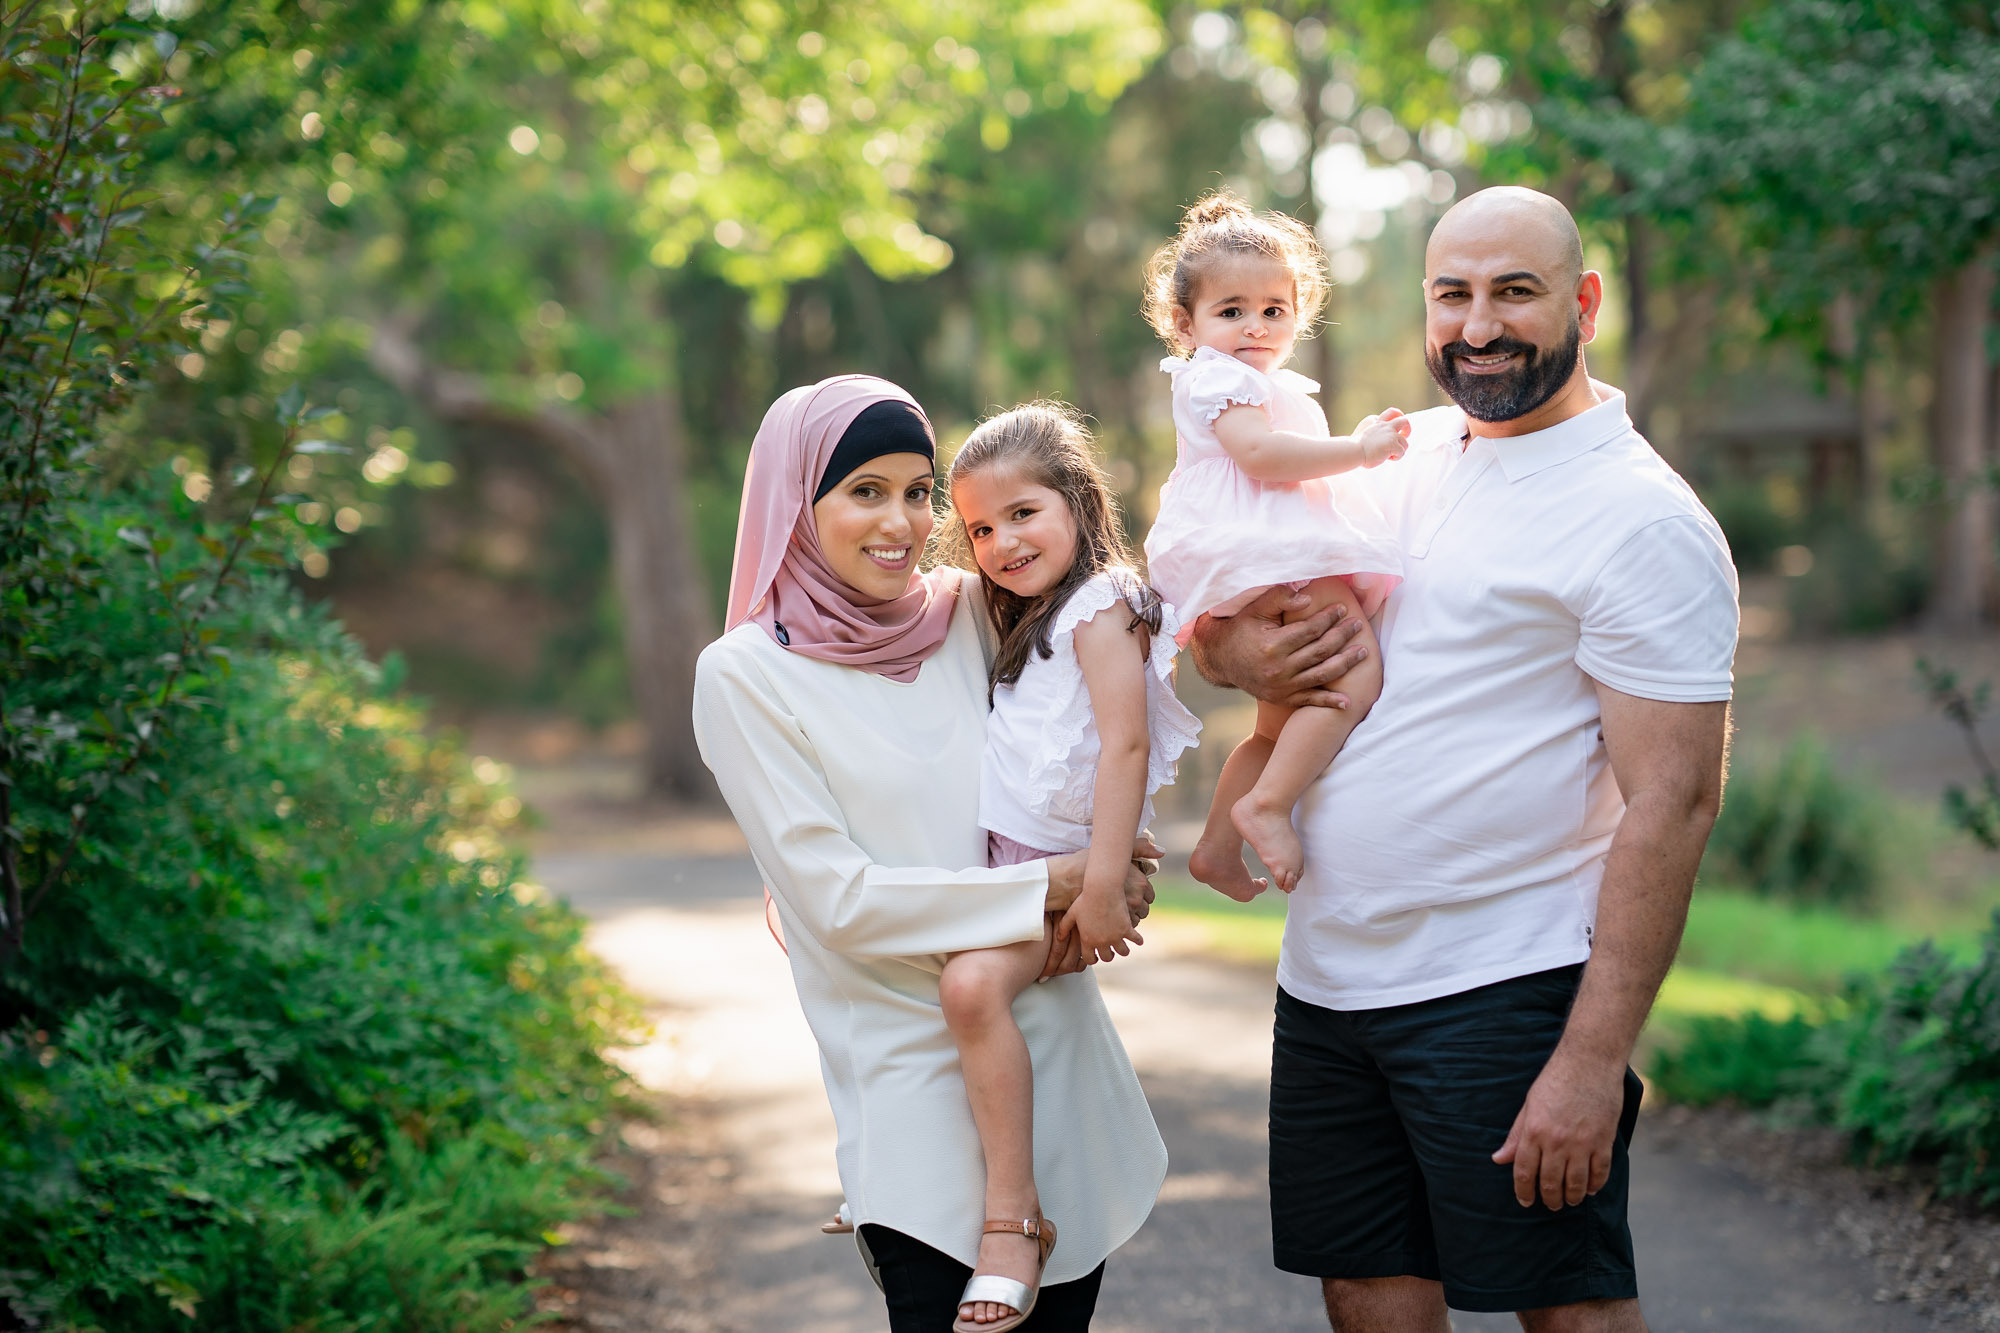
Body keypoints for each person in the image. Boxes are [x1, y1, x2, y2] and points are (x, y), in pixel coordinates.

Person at [1189, 187, 1739, 1332]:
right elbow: (1250, 615)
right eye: (1452, 295)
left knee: (1565, 1306)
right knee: (1369, 1293)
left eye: (1513, 292)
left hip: (1504, 986)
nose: (1476, 325)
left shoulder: (1641, 521)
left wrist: (1592, 1060)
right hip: (1330, 983)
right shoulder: (1402, 452)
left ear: (1582, 303)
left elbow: (1673, 807)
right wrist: (1232, 648)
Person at [692, 375, 1168, 1333]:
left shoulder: (970, 608)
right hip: (912, 1095)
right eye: (865, 490)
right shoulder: (744, 675)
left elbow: (1105, 687)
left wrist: (1116, 862)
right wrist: (1054, 883)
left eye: (918, 491)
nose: (902, 522)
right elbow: (839, 902)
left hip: (1058, 1066)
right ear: (797, 502)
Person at [938, 402, 1201, 1330]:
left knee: (972, 990)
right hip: (1007, 862)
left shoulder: (1101, 602)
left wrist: (1098, 882)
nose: (1002, 541)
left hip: (1062, 865)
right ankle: (911, 1186)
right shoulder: (1017, 611)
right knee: (918, 983)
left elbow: (1123, 747)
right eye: (979, 527)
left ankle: (1016, 1217)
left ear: (1080, 503)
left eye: (1023, 514)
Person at [1140, 192, 1410, 899]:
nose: (1255, 326)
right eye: (1231, 311)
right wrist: (1358, 448)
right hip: (1272, 553)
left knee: (1275, 723)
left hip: (1261, 555)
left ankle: (1217, 848)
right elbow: (1260, 456)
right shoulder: (1219, 377)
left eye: (1273, 310)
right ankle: (1266, 806)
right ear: (1185, 321)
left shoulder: (1259, 379)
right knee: (1351, 677)